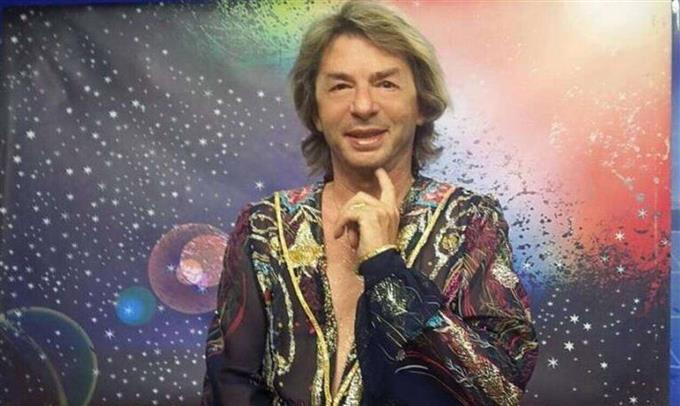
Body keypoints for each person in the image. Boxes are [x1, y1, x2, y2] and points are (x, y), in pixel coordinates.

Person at [202, 1, 538, 405]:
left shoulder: (471, 222)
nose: (362, 106)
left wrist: (385, 266)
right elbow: (229, 383)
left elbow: (498, 387)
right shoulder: (263, 227)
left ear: (421, 104)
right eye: (340, 86)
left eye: (386, 84)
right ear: (315, 110)